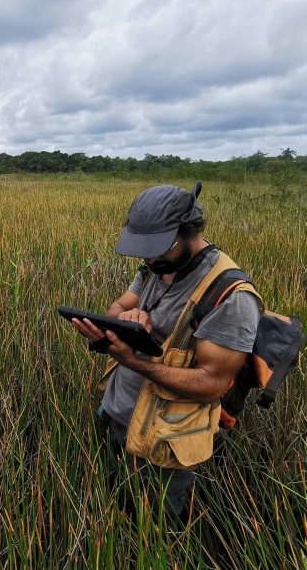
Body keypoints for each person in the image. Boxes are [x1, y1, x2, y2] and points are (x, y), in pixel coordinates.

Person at [72, 183, 261, 525]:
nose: (147, 259)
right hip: (116, 411)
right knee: (111, 515)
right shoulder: (156, 266)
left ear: (188, 232)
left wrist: (134, 361)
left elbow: (212, 385)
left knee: (154, 530)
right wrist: (128, 320)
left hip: (164, 441)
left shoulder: (231, 297)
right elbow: (117, 307)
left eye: (156, 249)